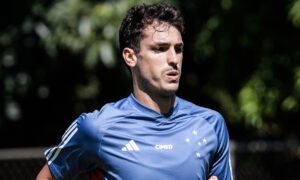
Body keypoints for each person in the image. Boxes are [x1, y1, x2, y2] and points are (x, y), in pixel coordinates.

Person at [37, 3, 233, 180]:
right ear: (130, 57)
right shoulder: (97, 128)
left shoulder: (211, 124)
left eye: (178, 49)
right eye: (161, 48)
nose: (174, 59)